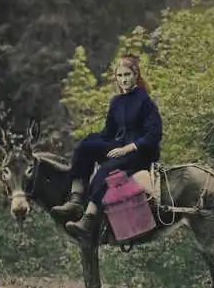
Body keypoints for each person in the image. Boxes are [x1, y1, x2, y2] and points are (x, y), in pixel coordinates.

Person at [52, 54, 163, 240]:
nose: (123, 80)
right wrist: (91, 142)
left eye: (127, 75)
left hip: (140, 152)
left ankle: (88, 218)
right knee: (85, 147)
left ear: (136, 75)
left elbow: (154, 135)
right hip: (120, 143)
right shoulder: (117, 102)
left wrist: (127, 149)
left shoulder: (145, 101)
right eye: (119, 76)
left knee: (107, 169)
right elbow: (108, 133)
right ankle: (76, 197)